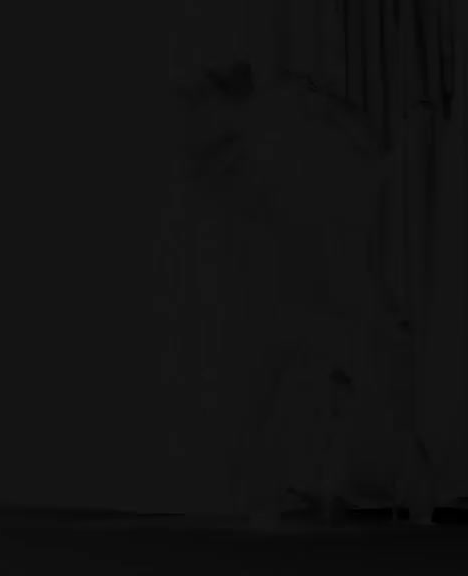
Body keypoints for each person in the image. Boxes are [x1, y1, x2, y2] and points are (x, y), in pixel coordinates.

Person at [166, 62, 435, 527]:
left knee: (316, 381)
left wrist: (408, 143)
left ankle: (272, 490)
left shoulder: (303, 150)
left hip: (325, 289)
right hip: (319, 289)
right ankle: (270, 489)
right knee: (309, 381)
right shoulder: (296, 152)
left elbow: (369, 181)